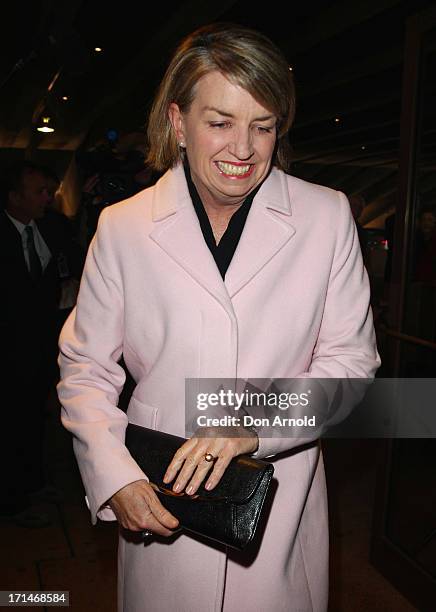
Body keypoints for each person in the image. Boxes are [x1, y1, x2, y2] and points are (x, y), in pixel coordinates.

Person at [57, 23, 380, 611]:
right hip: (162, 501)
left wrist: (253, 423)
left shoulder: (327, 217)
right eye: (220, 123)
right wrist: (114, 475)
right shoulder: (124, 226)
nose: (243, 149)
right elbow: (85, 368)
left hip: (277, 507)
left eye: (263, 126)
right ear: (178, 123)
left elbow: (352, 364)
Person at [0, 161, 81, 527]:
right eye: (39, 192)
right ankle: (10, 502)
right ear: (14, 197)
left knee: (34, 418)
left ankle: (31, 482)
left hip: (40, 347)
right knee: (9, 424)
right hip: (8, 351)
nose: (48, 198)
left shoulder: (51, 228)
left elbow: (66, 269)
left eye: (48, 191)